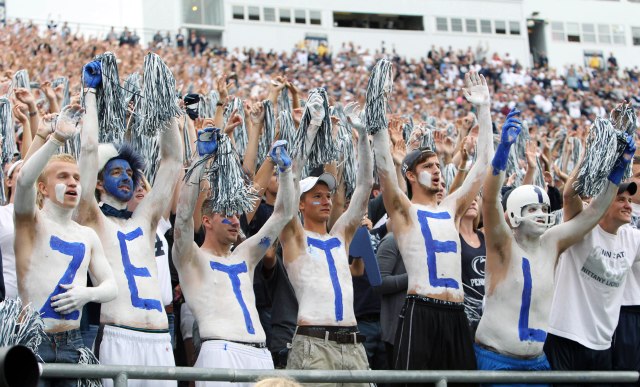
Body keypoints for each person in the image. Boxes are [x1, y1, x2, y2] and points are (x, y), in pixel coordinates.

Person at [476, 108, 631, 377]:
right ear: (513, 215)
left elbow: (594, 213)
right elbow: (490, 199)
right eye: (531, 209)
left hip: (538, 362)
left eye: (543, 208)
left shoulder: (552, 241)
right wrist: (503, 151)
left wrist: (616, 174)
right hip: (497, 358)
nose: (541, 214)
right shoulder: (501, 244)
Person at [371, 71, 492, 373]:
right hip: (421, 310)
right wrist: (379, 104)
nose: (437, 171)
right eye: (428, 166)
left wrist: (485, 110)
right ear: (411, 175)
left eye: (438, 165)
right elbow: (385, 169)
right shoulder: (404, 211)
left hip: (457, 313)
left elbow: (483, 164)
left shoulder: (451, 207)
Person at [76, 61, 181, 387]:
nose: (126, 177)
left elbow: (172, 161)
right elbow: (89, 149)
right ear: (98, 182)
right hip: (118, 335)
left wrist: (163, 101)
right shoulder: (91, 218)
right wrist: (90, 95)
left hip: (161, 338)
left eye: (129, 172)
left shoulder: (145, 221)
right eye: (115, 171)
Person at [173, 132, 295, 386]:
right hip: (220, 352)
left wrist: (285, 172)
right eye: (226, 215)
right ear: (207, 221)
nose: (235, 220)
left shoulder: (245, 256)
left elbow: (282, 215)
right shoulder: (191, 257)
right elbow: (183, 217)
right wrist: (200, 159)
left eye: (236, 214)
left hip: (260, 355)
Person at [13, 105, 117, 385]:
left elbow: (111, 286)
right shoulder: (30, 222)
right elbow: (23, 182)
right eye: (62, 177)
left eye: (76, 178)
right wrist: (56, 139)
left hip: (73, 342)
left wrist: (86, 294)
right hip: (33, 340)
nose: (72, 182)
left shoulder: (87, 235)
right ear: (44, 188)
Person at [282, 99, 372, 379]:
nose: (326, 201)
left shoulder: (339, 237)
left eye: (328, 196)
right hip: (313, 343)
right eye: (316, 197)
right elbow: (292, 176)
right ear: (300, 203)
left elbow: (365, 186)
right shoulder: (295, 236)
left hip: (354, 343)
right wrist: (311, 129)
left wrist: (362, 135)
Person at [545, 156, 639, 377]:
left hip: (602, 344)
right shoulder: (581, 229)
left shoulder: (632, 239)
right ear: (603, 203)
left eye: (629, 200)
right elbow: (569, 195)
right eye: (620, 199)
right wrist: (590, 154)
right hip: (565, 336)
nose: (628, 205)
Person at [458, 195, 485, 334]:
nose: (473, 202)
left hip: (488, 311)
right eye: (469, 198)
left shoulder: (484, 236)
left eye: (475, 199)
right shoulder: (452, 236)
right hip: (465, 313)